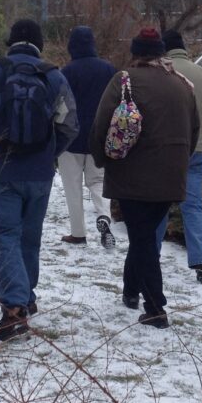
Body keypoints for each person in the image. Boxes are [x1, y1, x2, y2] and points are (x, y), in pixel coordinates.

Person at [0, 19, 79, 341]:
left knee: (5, 237)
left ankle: (14, 310)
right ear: (39, 44)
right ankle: (26, 296)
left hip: (0, 169)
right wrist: (50, 153)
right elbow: (70, 125)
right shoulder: (54, 77)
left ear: (10, 41)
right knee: (29, 237)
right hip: (40, 173)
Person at [90, 28, 199, 329]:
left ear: (135, 52)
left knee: (143, 239)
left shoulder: (124, 80)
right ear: (161, 52)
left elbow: (101, 124)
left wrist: (102, 160)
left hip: (133, 175)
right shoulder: (181, 83)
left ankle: (156, 307)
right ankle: (130, 291)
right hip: (171, 176)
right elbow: (194, 129)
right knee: (144, 236)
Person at [156, 29, 202, 284]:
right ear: (184, 49)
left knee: (159, 204)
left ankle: (149, 256)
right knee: (193, 205)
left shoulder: (159, 71)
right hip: (197, 149)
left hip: (165, 150)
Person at [59, 26, 117, 247]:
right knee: (98, 181)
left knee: (72, 186)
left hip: (70, 138)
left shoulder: (66, 72)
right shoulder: (108, 69)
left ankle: (78, 233)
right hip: (99, 137)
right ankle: (104, 216)